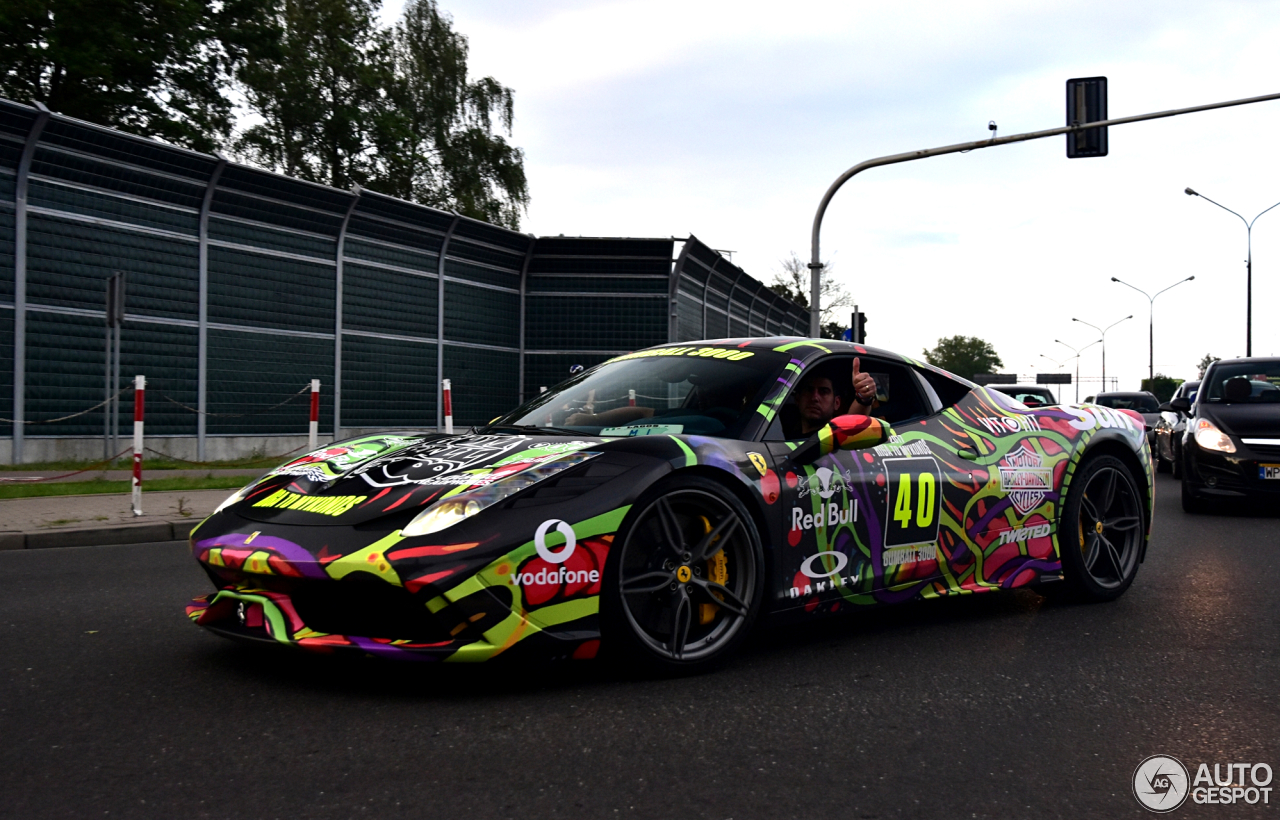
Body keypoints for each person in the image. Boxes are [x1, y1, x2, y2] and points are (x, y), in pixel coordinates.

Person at [794, 357, 878, 436]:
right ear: (797, 398)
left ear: (837, 403)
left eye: (823, 391)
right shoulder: (784, 435)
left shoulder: (835, 439)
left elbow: (851, 425)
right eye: (809, 390)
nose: (815, 398)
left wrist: (863, 396)